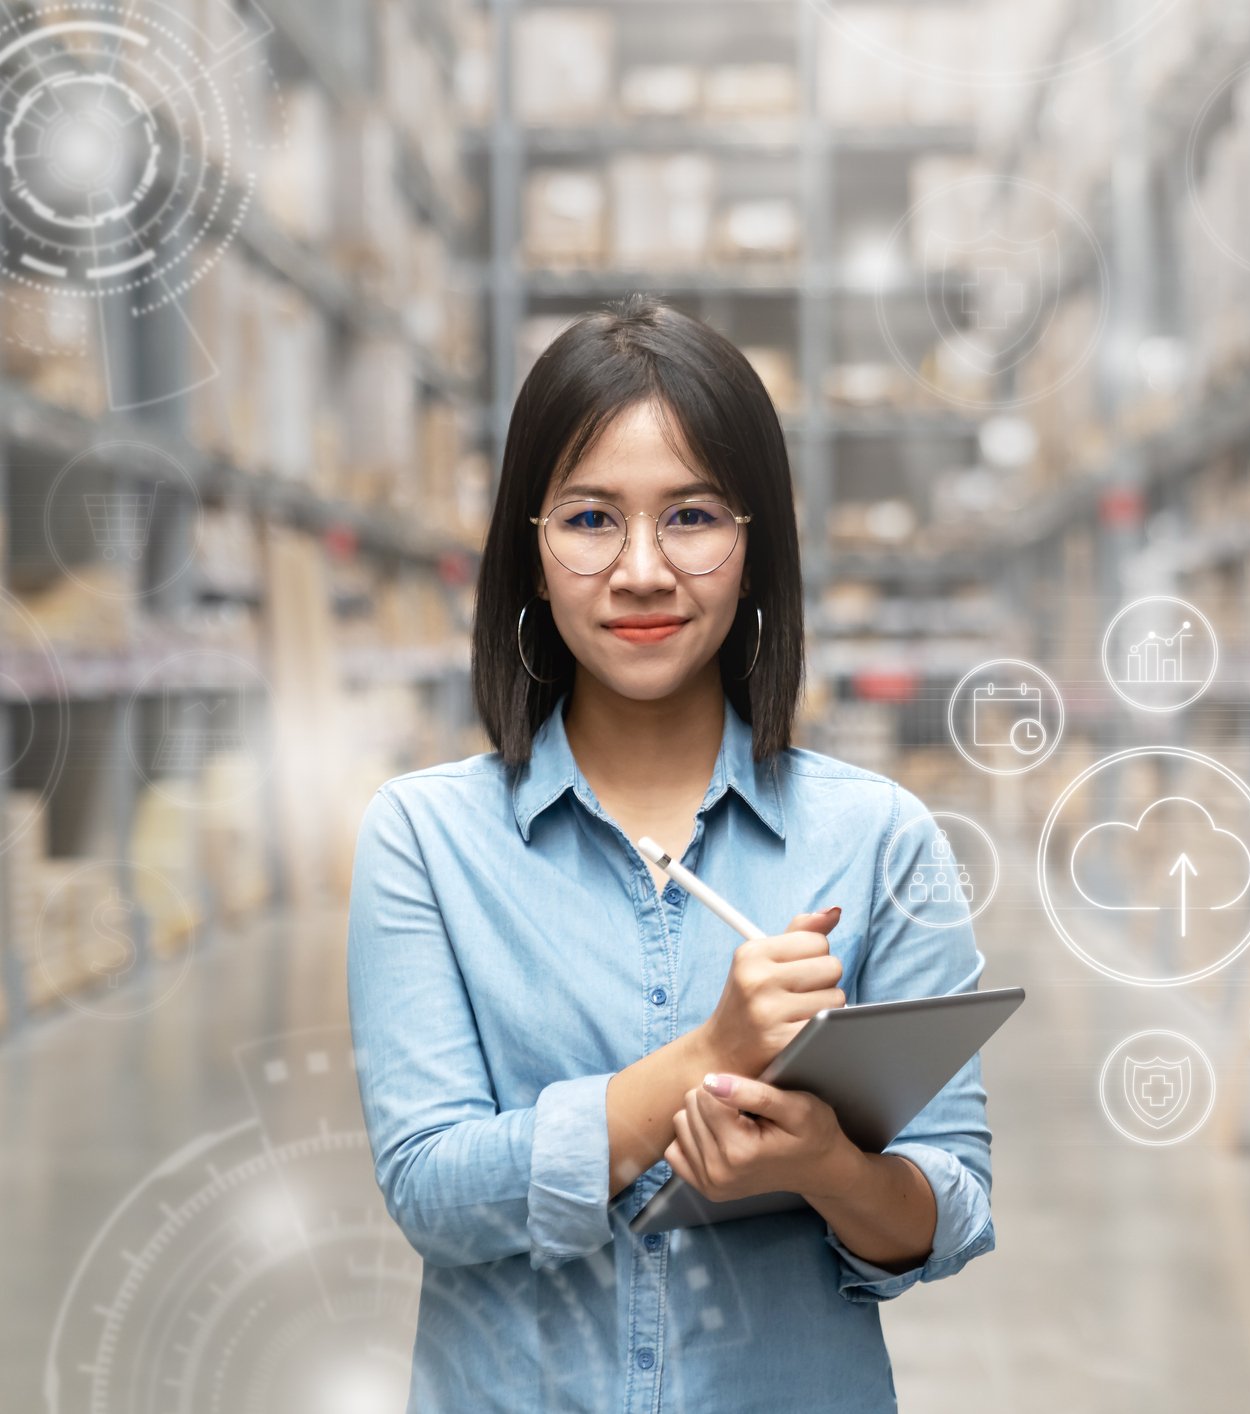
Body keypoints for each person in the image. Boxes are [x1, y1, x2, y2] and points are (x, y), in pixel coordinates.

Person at [346, 296, 993, 1411]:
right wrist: (709, 1056)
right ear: (529, 548)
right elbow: (432, 1194)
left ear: (754, 542)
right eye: (591, 519)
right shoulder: (426, 840)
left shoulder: (877, 839)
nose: (642, 569)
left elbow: (952, 1204)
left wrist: (821, 1167)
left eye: (690, 516)